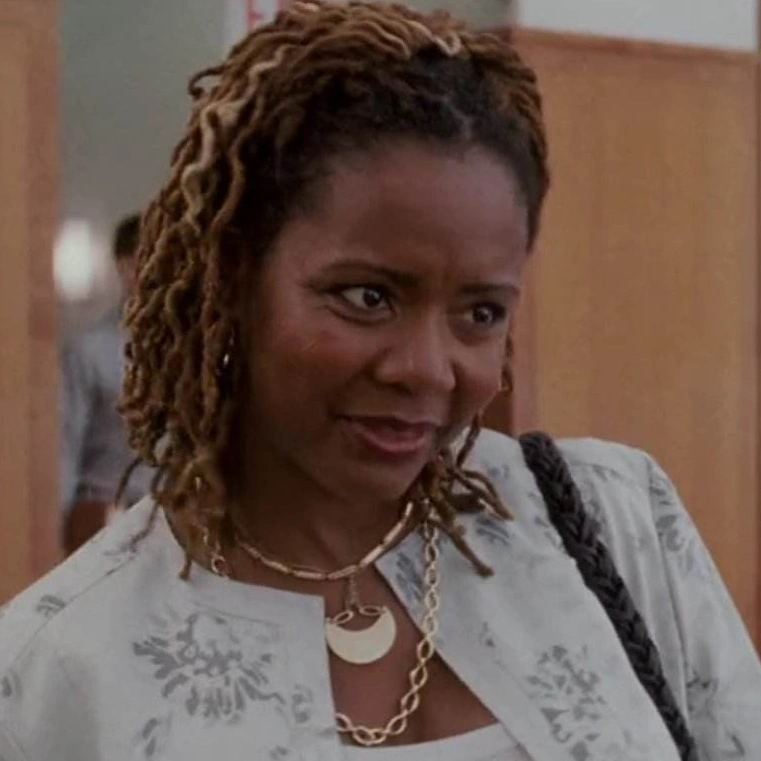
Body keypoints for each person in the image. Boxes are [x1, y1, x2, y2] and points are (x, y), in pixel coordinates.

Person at [1, 3, 759, 759]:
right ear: (232, 280)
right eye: (367, 296)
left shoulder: (611, 525)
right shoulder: (59, 669)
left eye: (480, 312)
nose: (425, 367)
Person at [59, 214, 153, 554]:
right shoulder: (88, 351)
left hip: (177, 517)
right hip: (106, 515)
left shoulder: (196, 352)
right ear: (126, 267)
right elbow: (65, 444)